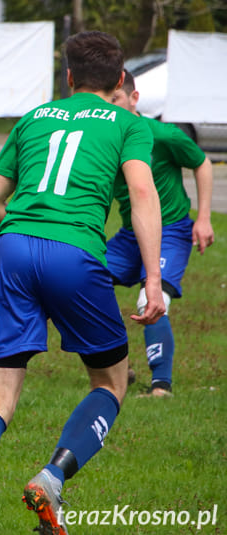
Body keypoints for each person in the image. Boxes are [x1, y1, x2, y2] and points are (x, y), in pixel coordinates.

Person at [0, 31, 165, 535]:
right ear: (120, 80)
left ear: (67, 77)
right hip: (75, 253)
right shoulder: (130, 125)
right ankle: (52, 478)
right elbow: (142, 192)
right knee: (110, 381)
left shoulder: (33, 118)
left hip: (13, 246)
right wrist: (153, 279)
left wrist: (25, 236)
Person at [107, 69, 214, 397]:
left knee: (150, 299)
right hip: (130, 236)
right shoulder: (105, 141)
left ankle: (161, 386)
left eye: (116, 99)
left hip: (170, 231)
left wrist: (204, 218)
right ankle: (115, 365)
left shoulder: (161, 135)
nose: (110, 107)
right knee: (80, 278)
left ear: (134, 99)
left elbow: (203, 163)